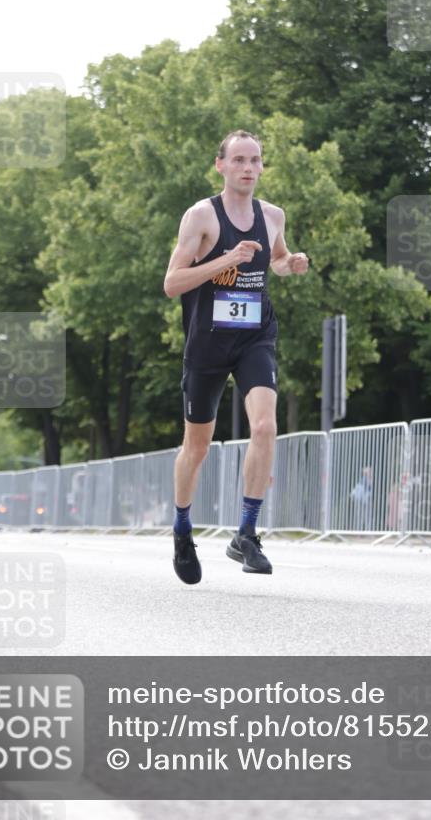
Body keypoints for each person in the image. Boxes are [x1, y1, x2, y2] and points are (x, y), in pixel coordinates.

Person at [163, 130, 308, 584]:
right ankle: (182, 529)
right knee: (197, 447)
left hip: (254, 336)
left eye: (255, 160)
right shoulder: (201, 216)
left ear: (262, 166)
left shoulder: (273, 216)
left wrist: (290, 264)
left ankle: (246, 533)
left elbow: (276, 259)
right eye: (239, 160)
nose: (248, 168)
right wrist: (226, 260)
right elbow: (172, 283)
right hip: (207, 342)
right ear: (221, 165)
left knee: (264, 426)